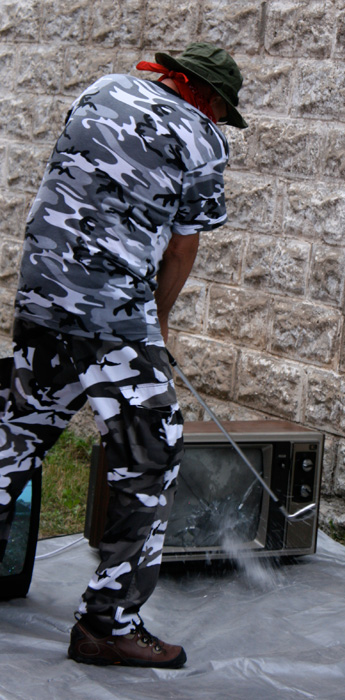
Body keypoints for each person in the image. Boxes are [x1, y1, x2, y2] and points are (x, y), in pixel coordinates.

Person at [0, 42, 247, 668]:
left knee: (19, 434)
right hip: (109, 310)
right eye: (220, 104)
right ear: (202, 91)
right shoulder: (201, 138)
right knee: (151, 452)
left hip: (43, 291)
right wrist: (155, 326)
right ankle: (107, 625)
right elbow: (180, 250)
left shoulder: (98, 89)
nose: (219, 118)